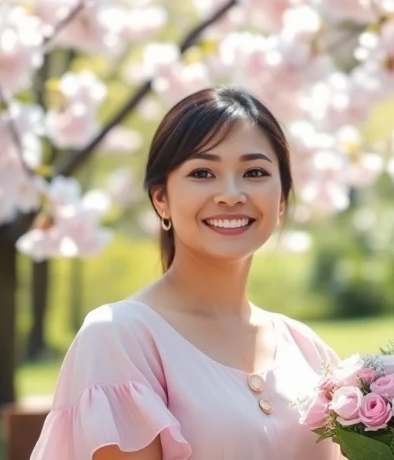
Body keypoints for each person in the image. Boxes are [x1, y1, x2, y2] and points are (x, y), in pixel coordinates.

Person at [30, 86, 343, 460]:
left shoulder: (307, 349)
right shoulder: (119, 339)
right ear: (161, 199)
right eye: (203, 173)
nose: (231, 194)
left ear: (281, 200)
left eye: (255, 172)